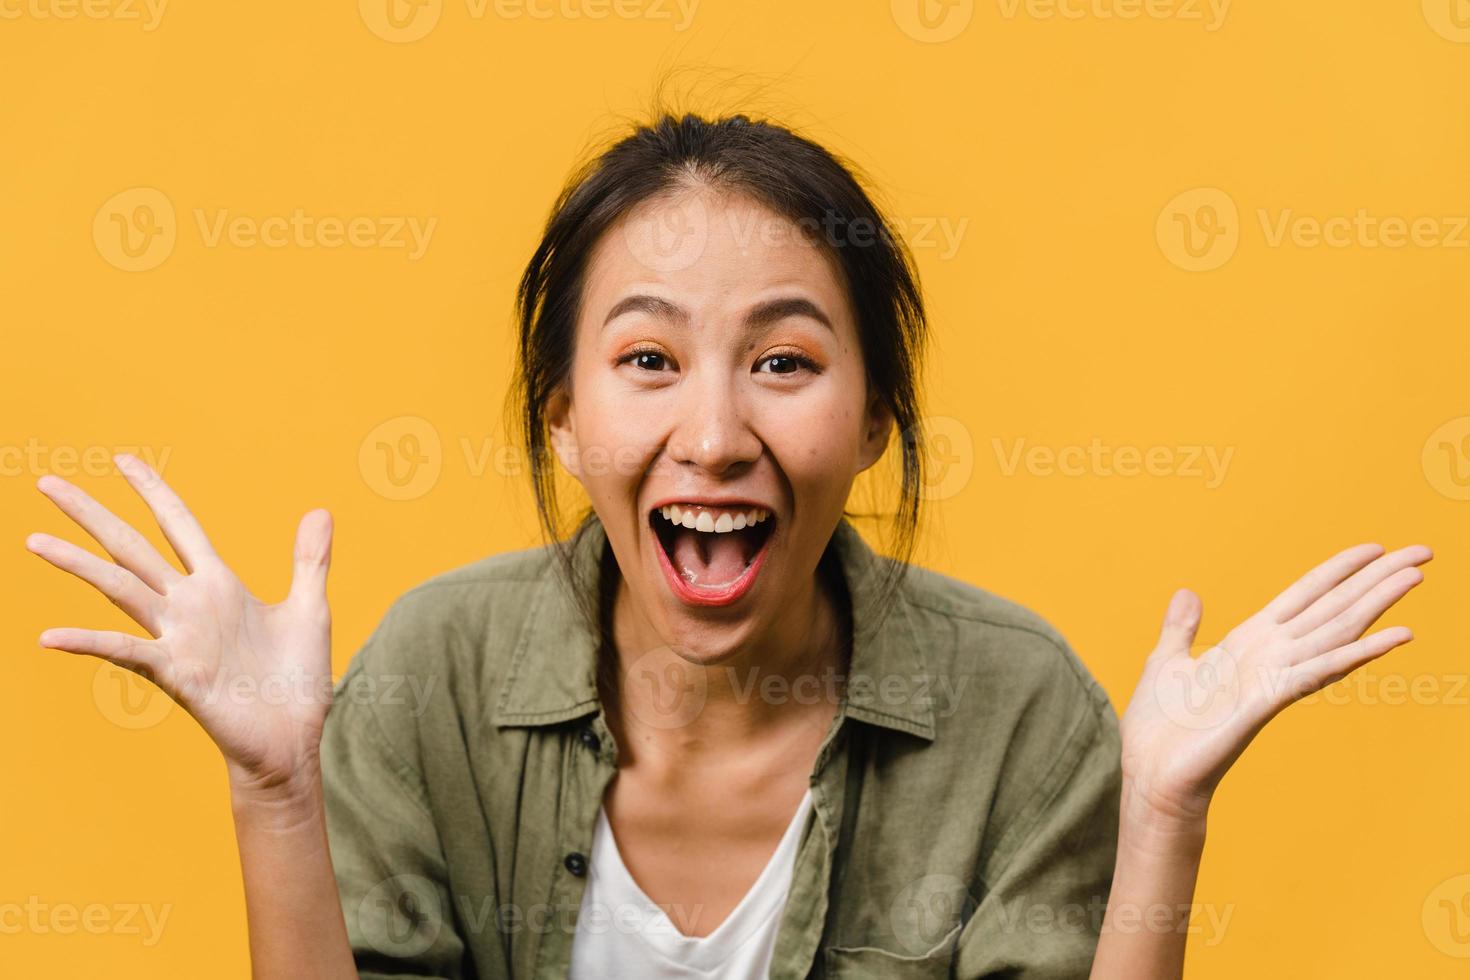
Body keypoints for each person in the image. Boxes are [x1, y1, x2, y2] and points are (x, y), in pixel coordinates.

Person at [26, 112, 1431, 979]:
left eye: (781, 363)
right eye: (646, 358)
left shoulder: (1021, 706)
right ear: (563, 416)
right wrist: (275, 793)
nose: (710, 435)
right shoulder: (433, 672)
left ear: (874, 418)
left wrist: (1161, 821)